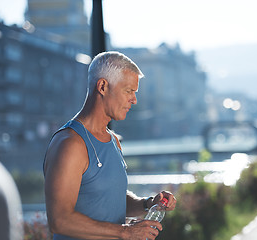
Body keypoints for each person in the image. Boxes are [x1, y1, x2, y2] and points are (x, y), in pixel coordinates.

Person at [44, 51, 176, 240]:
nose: (134, 99)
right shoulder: (70, 144)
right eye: (128, 91)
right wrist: (125, 232)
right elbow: (59, 220)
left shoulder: (113, 141)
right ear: (103, 86)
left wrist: (147, 203)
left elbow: (110, 199)